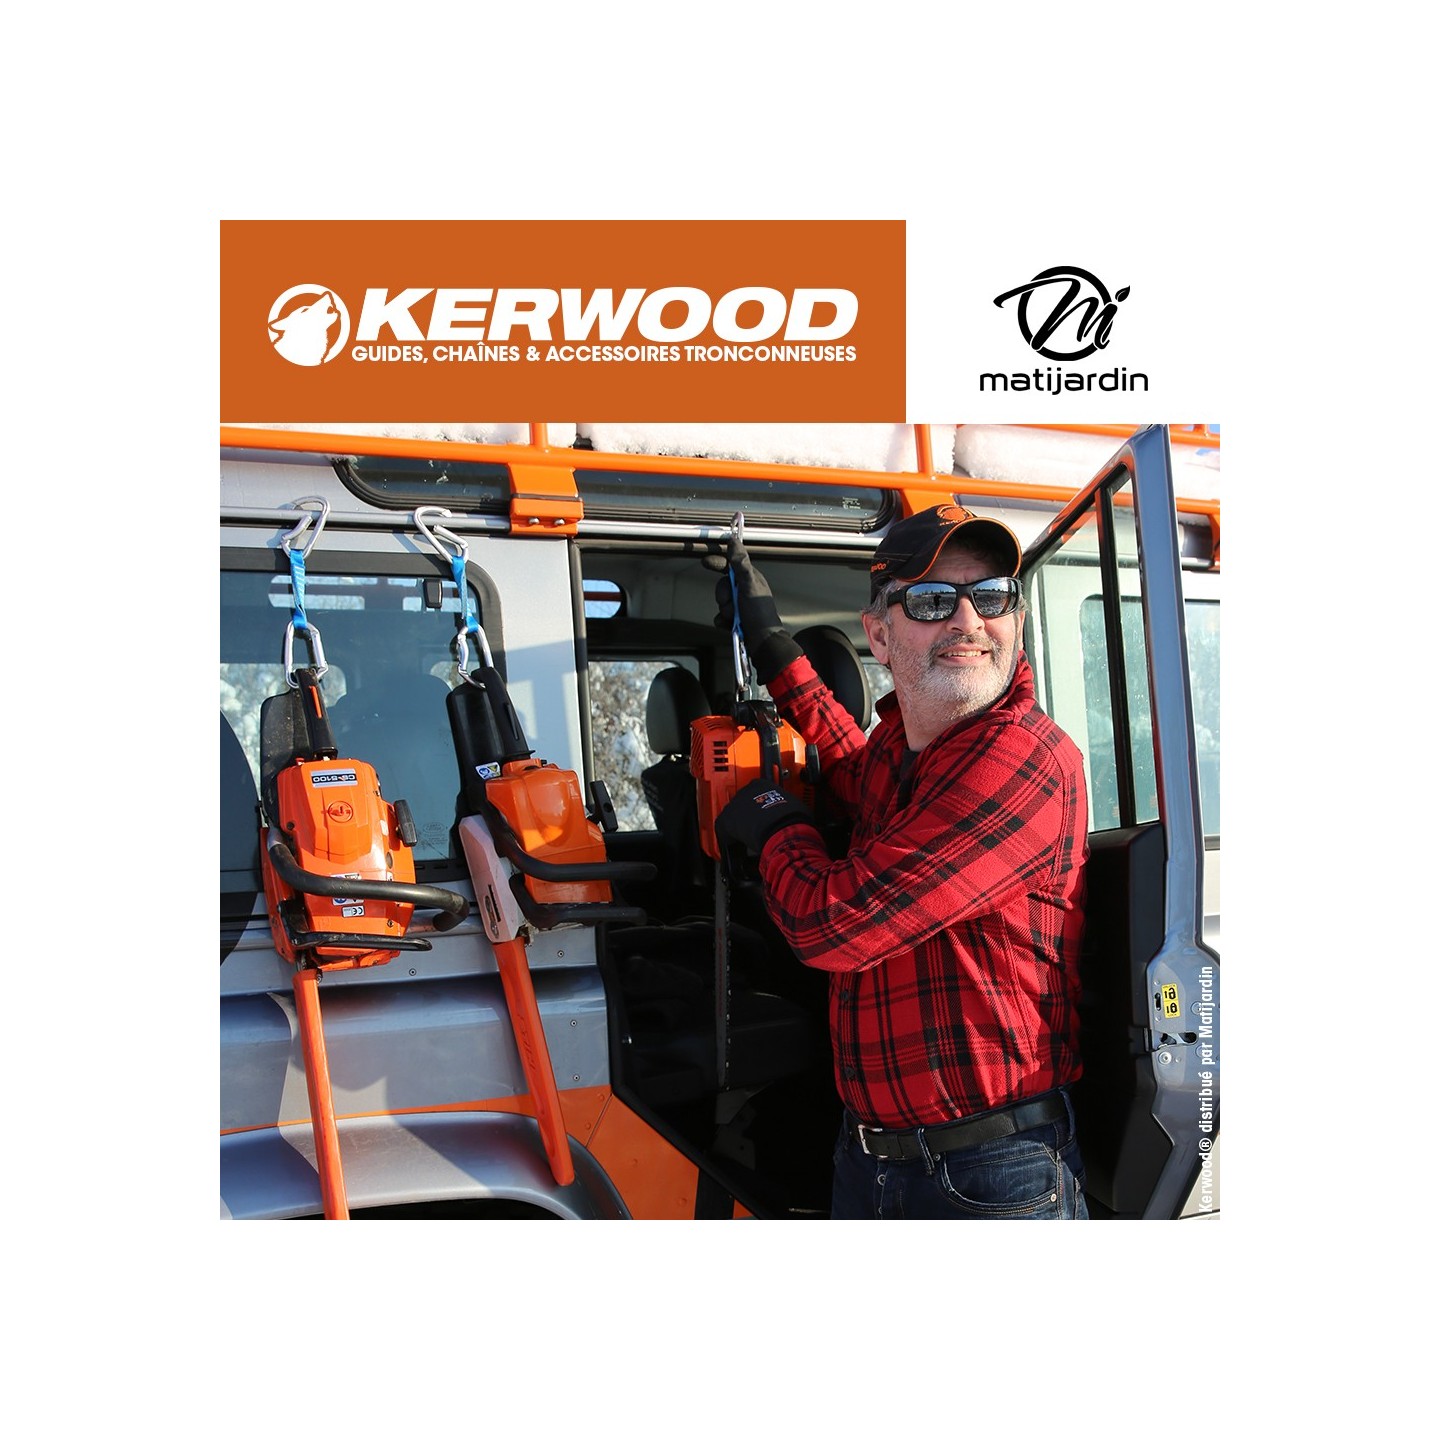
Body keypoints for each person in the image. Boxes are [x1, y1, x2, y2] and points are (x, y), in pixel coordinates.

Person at [713, 502, 1090, 1220]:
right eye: (932, 601)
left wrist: (776, 824)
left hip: (991, 1171)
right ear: (880, 636)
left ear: (1015, 617)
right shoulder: (908, 746)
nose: (969, 621)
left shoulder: (1023, 758)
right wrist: (774, 651)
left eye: (991, 596)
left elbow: (833, 926)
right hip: (872, 1157)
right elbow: (851, 763)